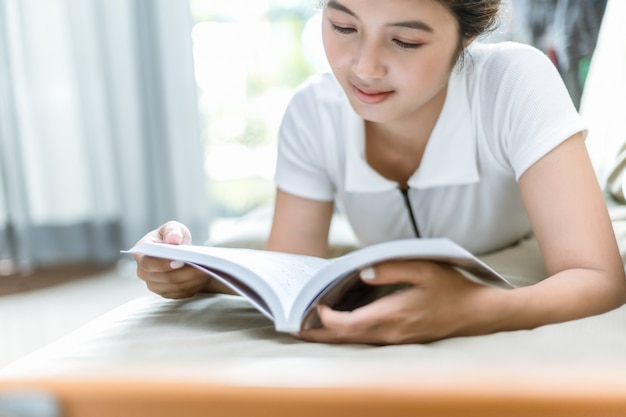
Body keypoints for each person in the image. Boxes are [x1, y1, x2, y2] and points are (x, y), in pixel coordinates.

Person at [133, 0, 626, 344]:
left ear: (468, 33)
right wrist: (198, 274)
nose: (365, 67)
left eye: (405, 41)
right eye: (343, 27)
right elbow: (289, 276)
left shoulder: (514, 81)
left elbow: (598, 277)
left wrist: (471, 310)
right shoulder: (314, 111)